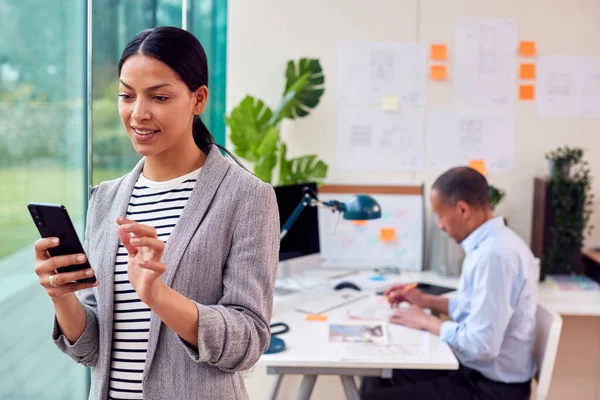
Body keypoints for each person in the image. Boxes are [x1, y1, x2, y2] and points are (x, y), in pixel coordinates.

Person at [33, 26, 280, 400]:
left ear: (198, 99)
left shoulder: (247, 197)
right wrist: (61, 296)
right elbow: (91, 348)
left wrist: (159, 296)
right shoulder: (105, 199)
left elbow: (248, 340)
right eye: (126, 96)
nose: (138, 113)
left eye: (159, 97)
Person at [361, 167, 537, 400]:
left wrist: (427, 321)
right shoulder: (490, 245)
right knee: (378, 377)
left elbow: (481, 345)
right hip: (478, 374)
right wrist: (424, 300)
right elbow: (473, 309)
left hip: (491, 389)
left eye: (440, 215)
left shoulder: (495, 256)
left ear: (462, 209)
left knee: (374, 397)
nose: (441, 226)